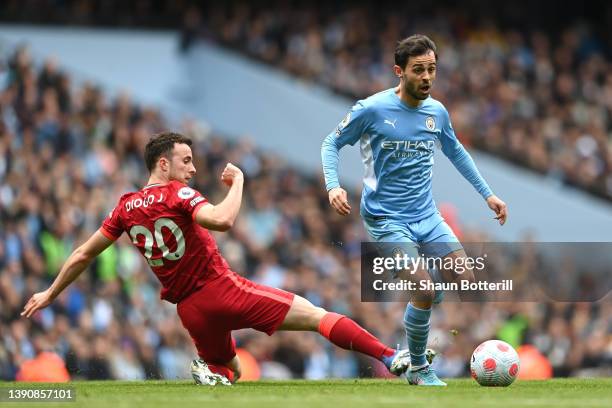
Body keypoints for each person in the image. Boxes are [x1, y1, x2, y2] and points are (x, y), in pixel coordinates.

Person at [22, 132, 413, 385]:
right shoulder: (178, 195)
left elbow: (83, 253)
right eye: (185, 160)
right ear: (163, 164)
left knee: (234, 371)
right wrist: (240, 181)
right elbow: (223, 220)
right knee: (315, 315)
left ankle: (209, 374)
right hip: (221, 290)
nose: (192, 169)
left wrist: (50, 293)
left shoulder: (124, 207)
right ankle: (390, 355)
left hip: (189, 309)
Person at [321, 34, 508, 386]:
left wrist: (488, 195)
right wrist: (333, 185)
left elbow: (456, 153)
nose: (426, 77)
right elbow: (331, 143)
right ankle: (419, 368)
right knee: (423, 289)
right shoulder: (371, 110)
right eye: (418, 70)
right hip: (385, 218)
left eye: (432, 69)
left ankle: (425, 302)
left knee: (463, 278)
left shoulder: (437, 112)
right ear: (399, 71)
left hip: (427, 215)